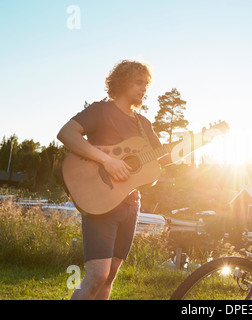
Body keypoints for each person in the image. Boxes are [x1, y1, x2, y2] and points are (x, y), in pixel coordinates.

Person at [57, 60, 170, 300]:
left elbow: (160, 159)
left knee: (110, 277)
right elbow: (66, 133)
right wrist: (107, 161)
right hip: (101, 201)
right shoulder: (101, 111)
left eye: (146, 84)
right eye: (138, 82)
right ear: (122, 82)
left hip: (131, 204)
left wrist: (190, 147)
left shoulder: (144, 124)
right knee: (97, 275)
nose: (144, 89)